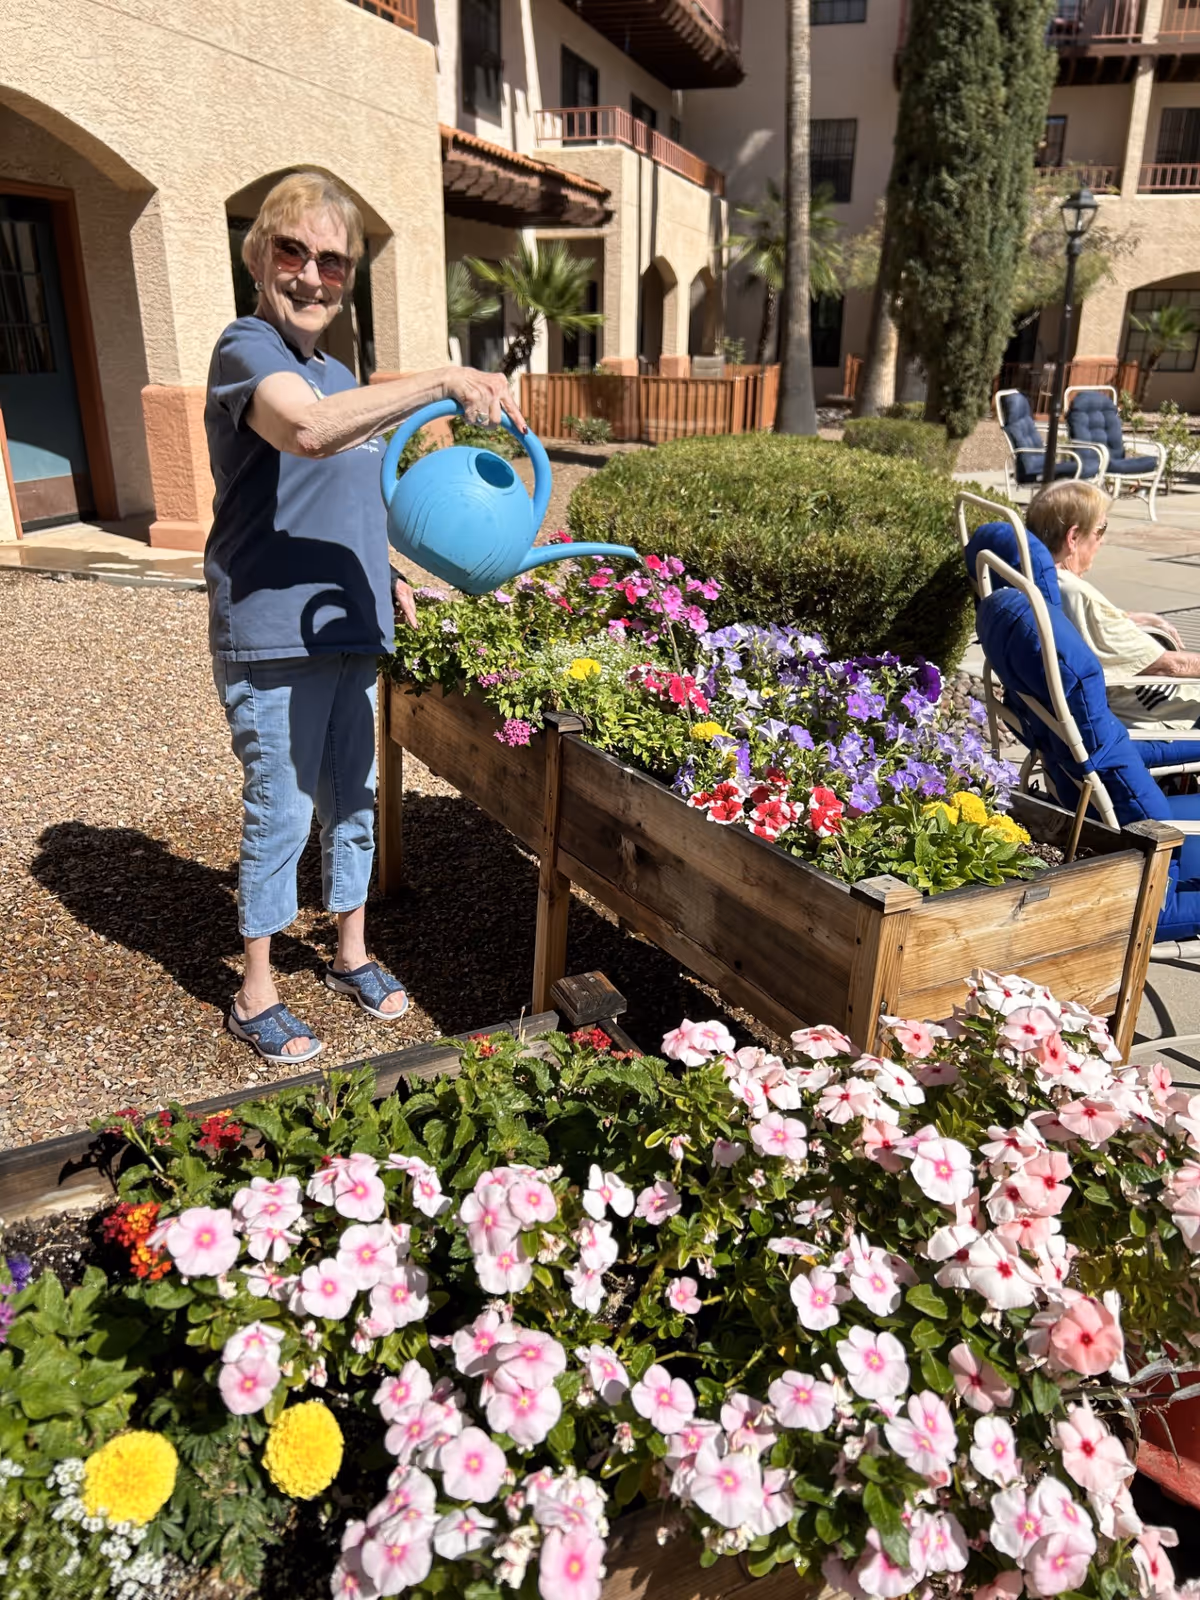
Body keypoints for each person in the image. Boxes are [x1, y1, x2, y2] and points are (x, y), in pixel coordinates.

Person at [205, 170, 524, 1064]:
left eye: (332, 262)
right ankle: (255, 988)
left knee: (355, 801)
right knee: (283, 806)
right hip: (271, 630)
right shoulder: (247, 348)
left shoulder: (338, 372)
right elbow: (305, 434)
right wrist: (439, 379)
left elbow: (340, 492)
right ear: (258, 257)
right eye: (292, 252)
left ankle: (350, 951)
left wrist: (385, 571)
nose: (311, 275)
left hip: (350, 625)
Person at [1026, 480, 1200, 731]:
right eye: (1101, 529)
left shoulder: (1042, 581)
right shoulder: (1078, 594)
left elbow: (1098, 626)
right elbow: (1169, 666)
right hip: (1153, 715)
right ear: (1073, 537)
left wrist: (1135, 618)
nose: (1103, 541)